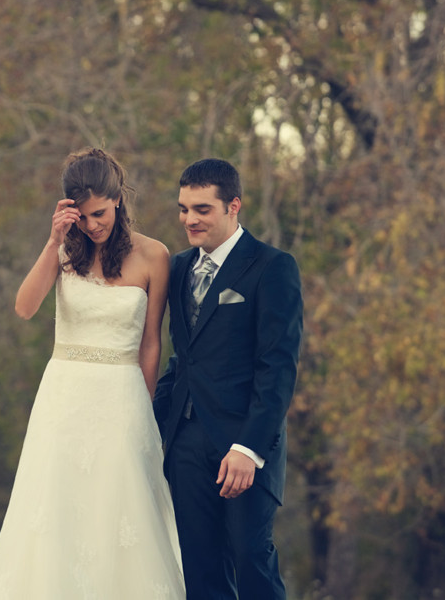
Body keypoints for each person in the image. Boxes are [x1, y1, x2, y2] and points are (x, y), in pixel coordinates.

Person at [0, 148, 184, 599]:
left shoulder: (154, 255)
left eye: (100, 214)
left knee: (118, 508)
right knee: (56, 507)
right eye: (84, 216)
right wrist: (52, 242)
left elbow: (151, 343)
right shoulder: (64, 251)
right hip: (64, 397)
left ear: (117, 200)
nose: (93, 226)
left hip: (122, 397)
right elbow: (24, 307)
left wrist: (144, 409)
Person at [153, 158, 303, 600]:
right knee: (200, 571)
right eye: (183, 209)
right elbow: (183, 360)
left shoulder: (272, 266)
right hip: (185, 442)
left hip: (244, 442)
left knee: (251, 558)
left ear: (233, 206)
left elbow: (277, 367)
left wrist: (248, 448)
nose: (189, 220)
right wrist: (149, 422)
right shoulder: (178, 268)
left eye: (202, 209)